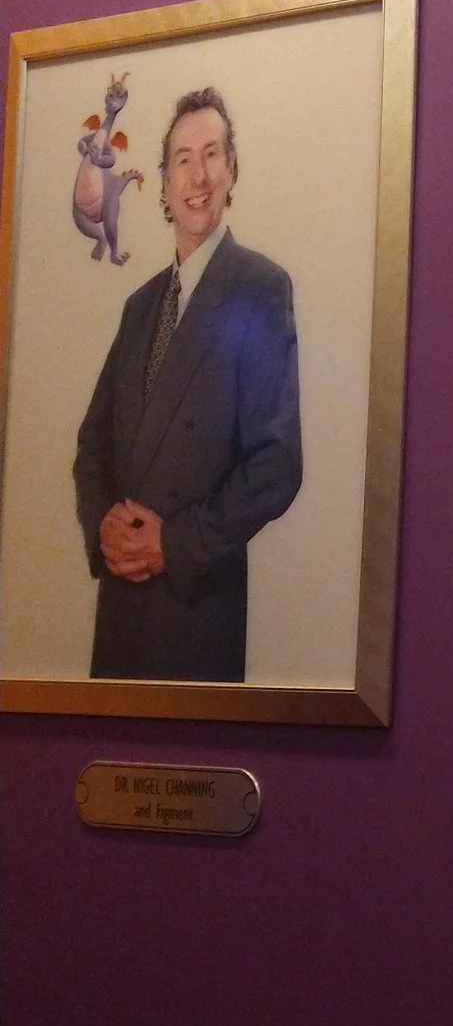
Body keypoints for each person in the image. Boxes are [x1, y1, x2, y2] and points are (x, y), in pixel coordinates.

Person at [73, 88, 302, 681]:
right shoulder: (140, 306)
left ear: (231, 171)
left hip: (197, 611)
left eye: (212, 155)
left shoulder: (260, 288)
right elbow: (94, 444)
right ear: (165, 186)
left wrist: (173, 544)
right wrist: (104, 526)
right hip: (121, 610)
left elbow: (276, 464)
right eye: (182, 159)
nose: (197, 176)